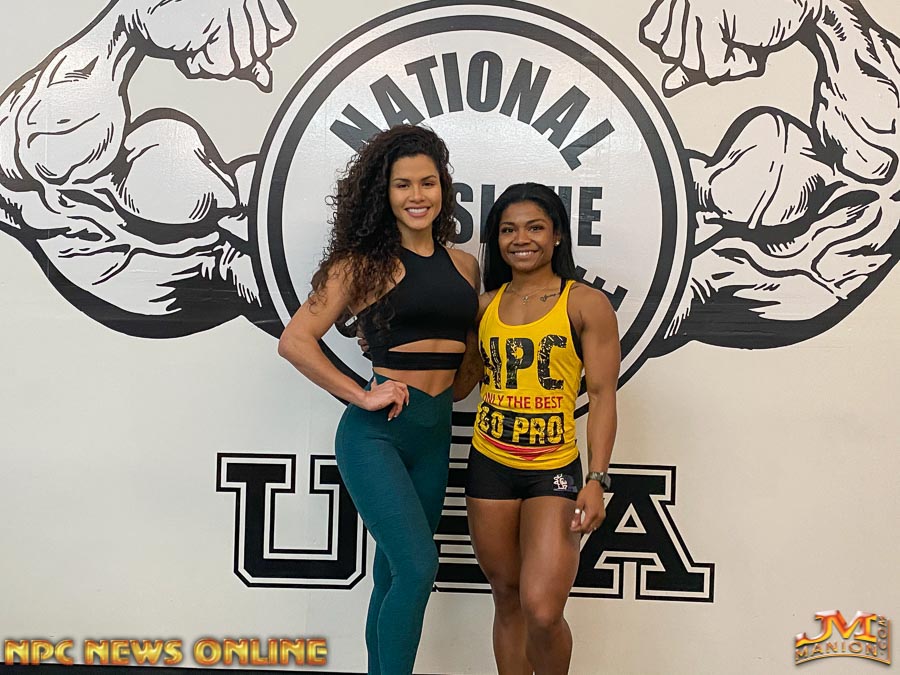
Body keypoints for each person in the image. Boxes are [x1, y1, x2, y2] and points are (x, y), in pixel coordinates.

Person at [277, 124, 479, 675]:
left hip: (436, 432)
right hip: (378, 435)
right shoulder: (359, 264)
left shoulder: (465, 265)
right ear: (383, 193)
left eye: (428, 182)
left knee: (393, 573)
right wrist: (360, 395)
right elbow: (295, 341)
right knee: (417, 568)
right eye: (402, 184)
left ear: (443, 188)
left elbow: (465, 368)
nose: (417, 195)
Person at [454, 183, 620, 675]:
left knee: (543, 610)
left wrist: (597, 478)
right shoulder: (483, 306)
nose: (520, 239)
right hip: (490, 465)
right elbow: (460, 388)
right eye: (508, 230)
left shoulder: (585, 303)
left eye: (534, 227)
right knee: (507, 596)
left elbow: (604, 396)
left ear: (558, 235)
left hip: (553, 469)